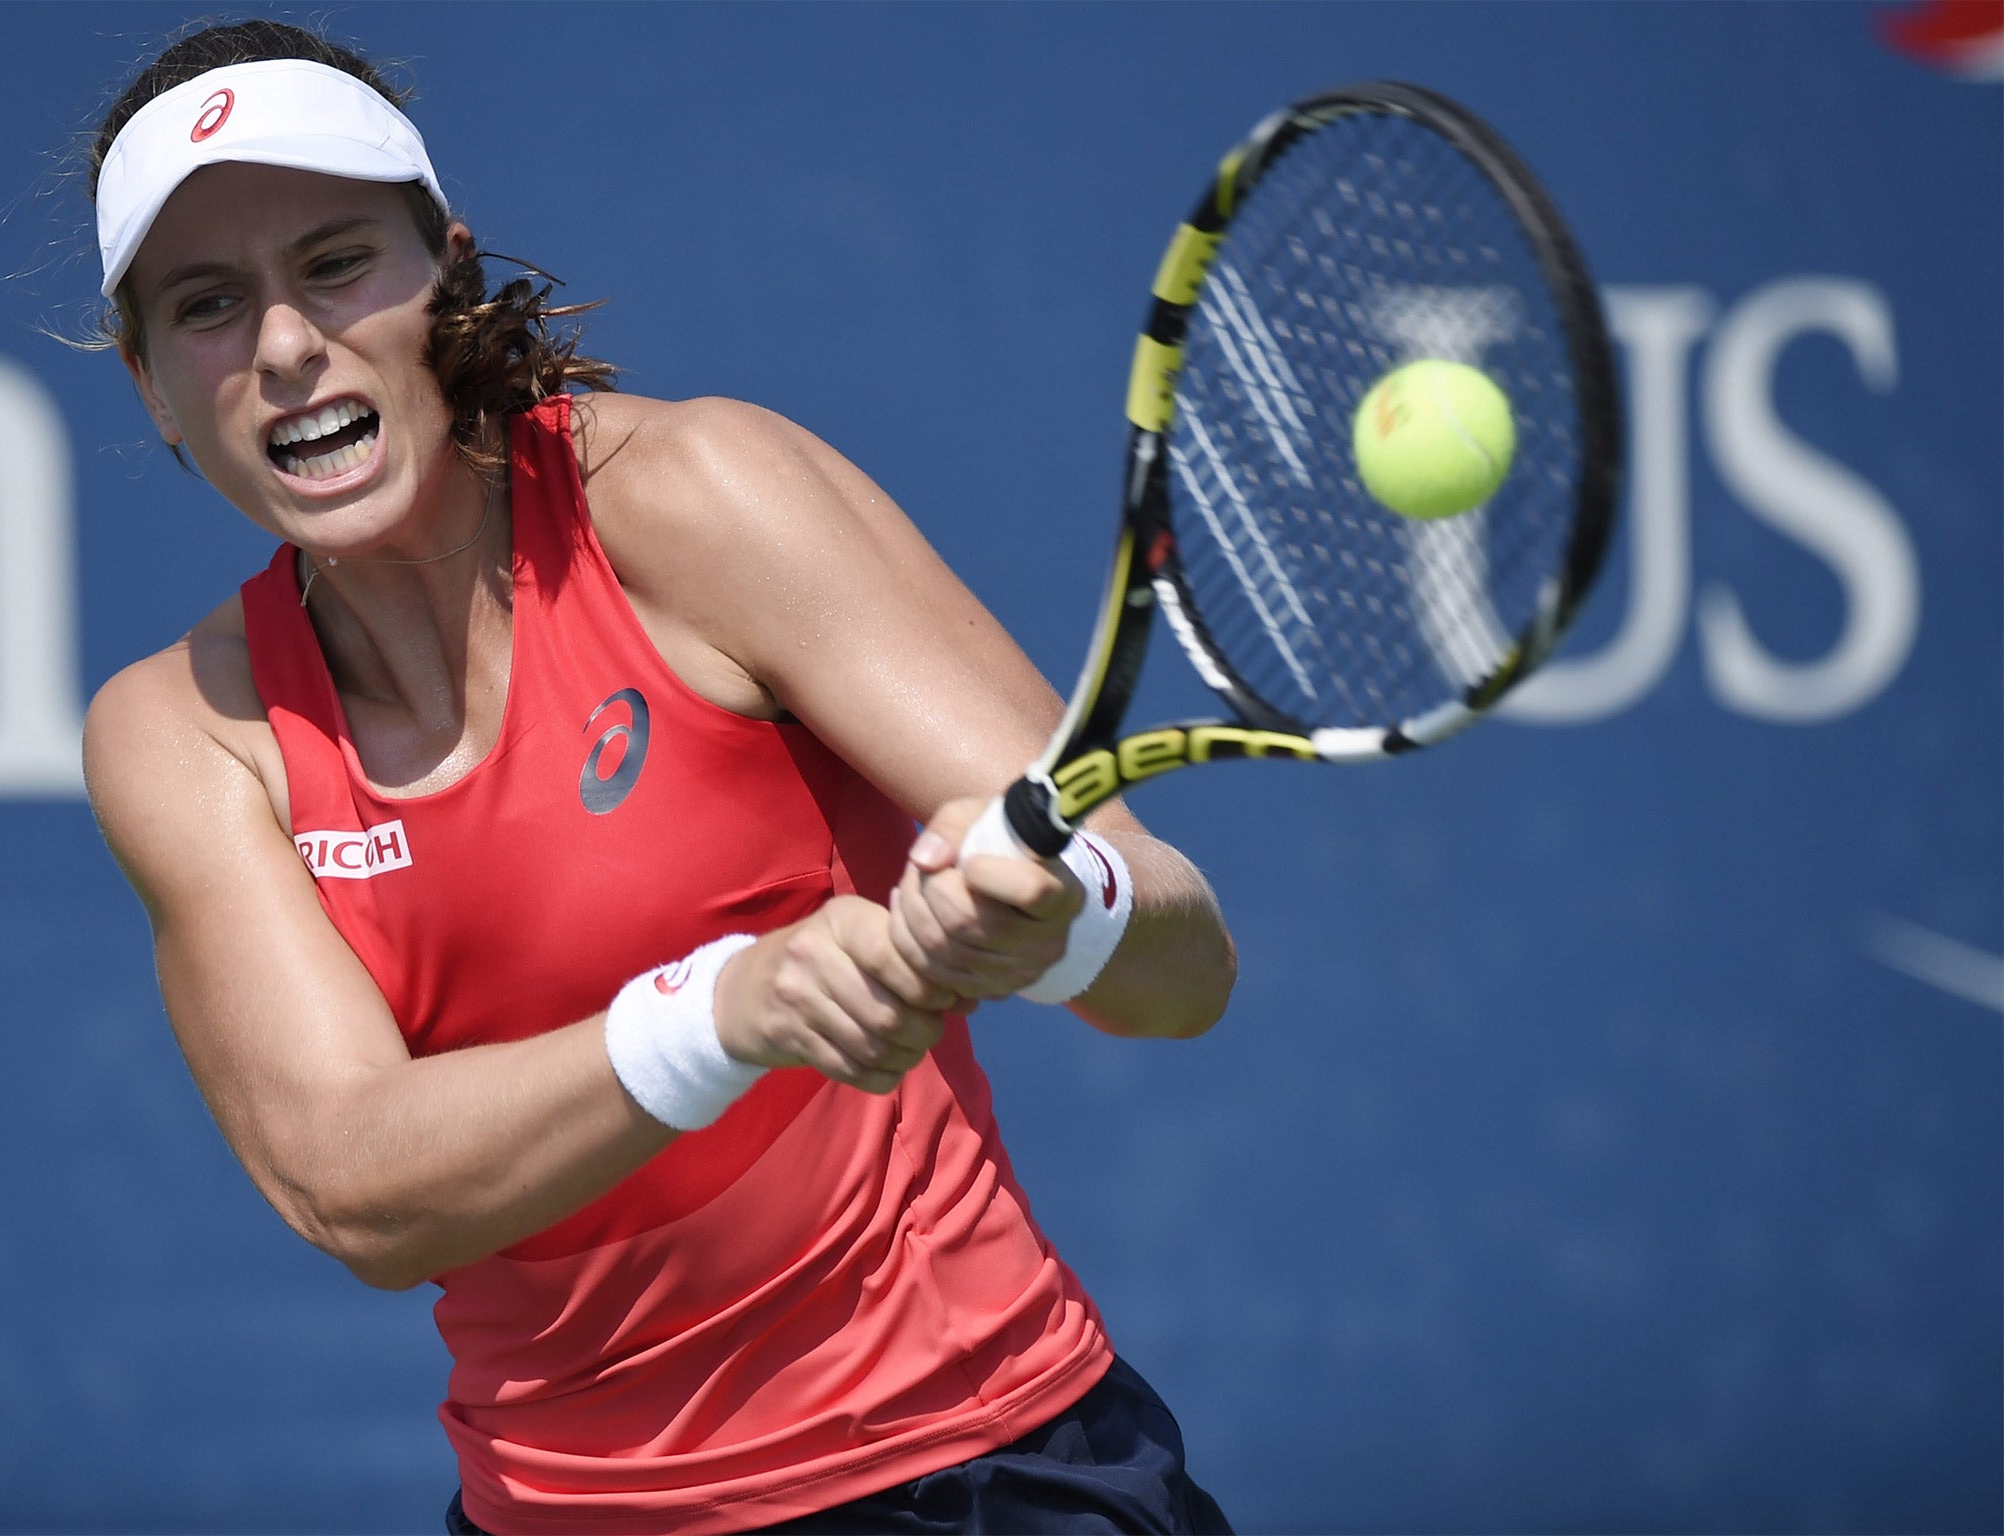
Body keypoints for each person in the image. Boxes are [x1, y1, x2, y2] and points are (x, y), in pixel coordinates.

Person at [79, 20, 1237, 1535]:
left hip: (981, 1473)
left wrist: (1067, 911)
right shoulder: (185, 731)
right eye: (209, 305)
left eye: (339, 261)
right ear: (155, 386)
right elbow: (349, 1183)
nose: (288, 344)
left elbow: (1180, 961)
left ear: (449, 273)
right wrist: (718, 1013)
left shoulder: (699, 498)